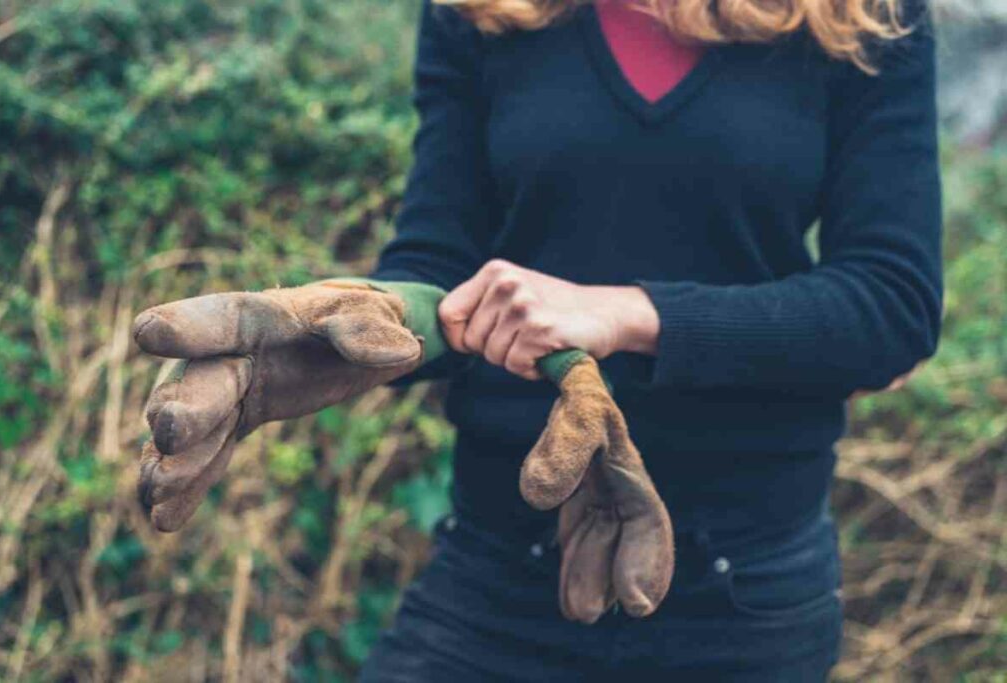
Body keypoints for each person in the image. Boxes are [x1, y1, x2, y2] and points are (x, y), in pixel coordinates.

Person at [133, 0, 942, 680]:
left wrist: (625, 313)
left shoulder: (863, 17)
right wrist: (361, 321)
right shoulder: (480, 10)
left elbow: (891, 302)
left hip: (744, 589)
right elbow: (442, 260)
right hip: (499, 562)